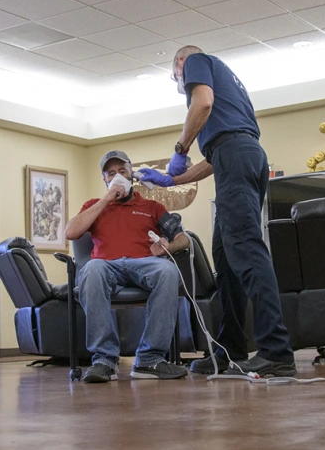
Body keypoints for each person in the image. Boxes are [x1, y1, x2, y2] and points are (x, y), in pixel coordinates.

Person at [138, 47, 296, 377]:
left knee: (247, 250)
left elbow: (202, 104)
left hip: (236, 157)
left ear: (180, 63)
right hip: (240, 155)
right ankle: (231, 350)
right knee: (227, 260)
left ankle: (276, 351)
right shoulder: (231, 91)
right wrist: (171, 179)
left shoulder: (197, 61)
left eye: (176, 74)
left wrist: (179, 148)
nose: (180, 80)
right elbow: (213, 158)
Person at [65, 151, 192, 382]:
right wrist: (107, 199)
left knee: (167, 270)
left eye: (122, 171)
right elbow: (71, 232)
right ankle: (104, 360)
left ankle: (149, 360)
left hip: (144, 263)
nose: (117, 176)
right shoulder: (94, 205)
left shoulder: (152, 206)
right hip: (106, 266)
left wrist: (168, 248)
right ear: (104, 180)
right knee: (91, 270)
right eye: (111, 173)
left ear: (132, 174)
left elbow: (184, 239)